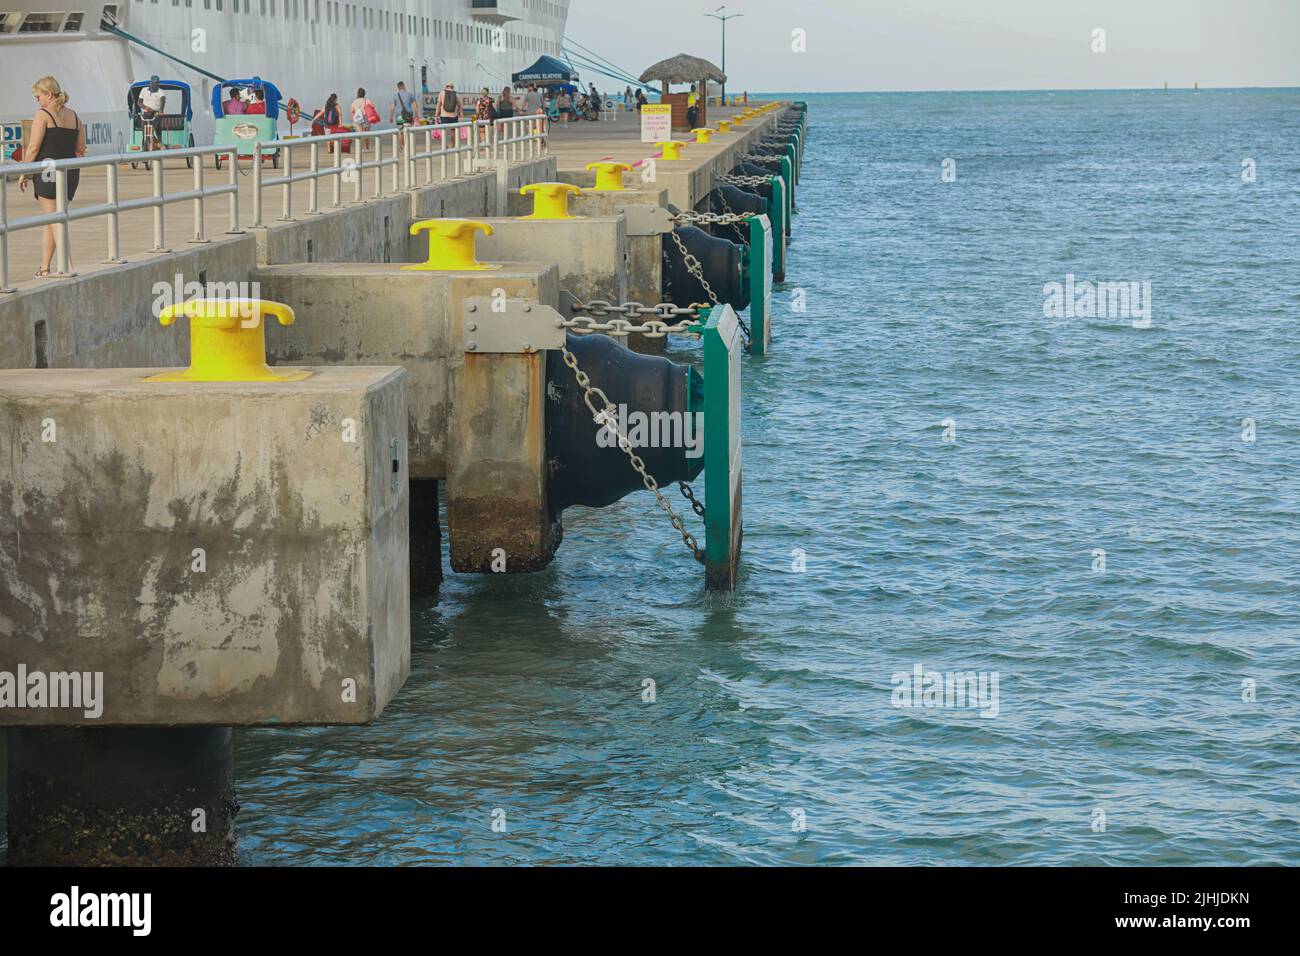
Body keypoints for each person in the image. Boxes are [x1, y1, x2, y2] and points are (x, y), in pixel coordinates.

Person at [17, 76, 85, 277]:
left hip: (47, 171)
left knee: (55, 220)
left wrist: (25, 172)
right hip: (70, 171)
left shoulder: (42, 114)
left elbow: (33, 147)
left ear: (48, 94)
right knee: (53, 220)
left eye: (38, 96)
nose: (37, 100)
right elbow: (80, 148)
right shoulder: (74, 116)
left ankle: (69, 266)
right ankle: (45, 267)